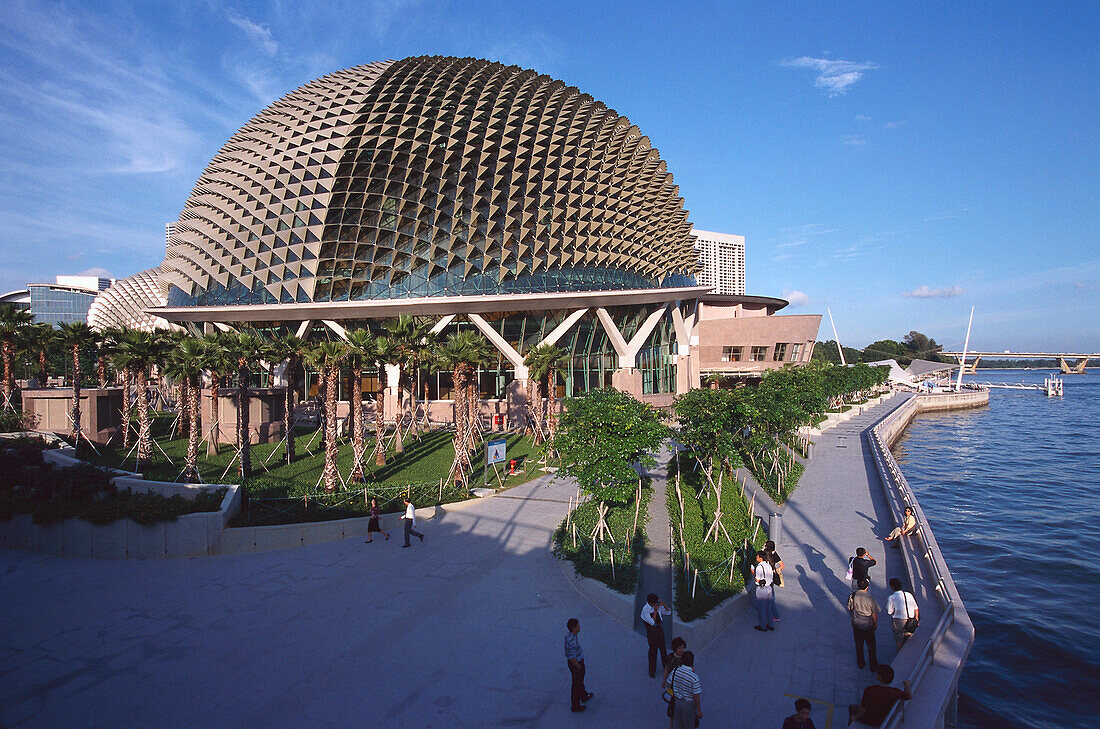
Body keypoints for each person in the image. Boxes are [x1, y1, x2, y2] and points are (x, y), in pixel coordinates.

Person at [848, 665, 912, 727]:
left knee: (852, 708)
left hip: (872, 720)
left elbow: (862, 710)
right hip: (885, 719)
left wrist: (855, 717)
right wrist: (907, 685)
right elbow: (908, 695)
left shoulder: (870, 690)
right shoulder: (894, 692)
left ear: (880, 677)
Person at [847, 578, 879, 671]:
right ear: (867, 587)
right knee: (871, 645)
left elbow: (849, 607)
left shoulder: (853, 595)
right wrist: (875, 624)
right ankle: (873, 665)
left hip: (856, 623)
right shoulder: (870, 598)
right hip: (868, 624)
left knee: (859, 644)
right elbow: (874, 613)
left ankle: (860, 662)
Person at [564, 618, 593, 712]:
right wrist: (578, 666)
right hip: (576, 664)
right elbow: (572, 657)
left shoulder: (569, 635)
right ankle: (575, 706)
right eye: (578, 626)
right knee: (576, 684)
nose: (580, 627)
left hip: (577, 662)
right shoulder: (572, 640)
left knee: (579, 681)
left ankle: (583, 696)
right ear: (573, 628)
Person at [668, 650, 702, 729]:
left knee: (679, 725)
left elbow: (669, 684)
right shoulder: (694, 677)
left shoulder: (675, 670)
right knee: (689, 725)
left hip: (677, 702)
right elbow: (696, 695)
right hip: (688, 704)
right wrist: (699, 710)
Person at [641, 593, 671, 677]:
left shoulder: (657, 605)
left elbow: (668, 612)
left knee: (663, 648)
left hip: (659, 628)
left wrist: (663, 604)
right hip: (651, 630)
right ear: (650, 603)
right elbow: (652, 622)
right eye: (654, 603)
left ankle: (666, 666)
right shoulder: (645, 610)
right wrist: (655, 611)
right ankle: (652, 670)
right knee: (653, 650)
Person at [886, 578, 920, 650]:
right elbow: (916, 608)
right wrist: (916, 619)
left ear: (892, 587)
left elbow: (889, 611)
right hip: (911, 619)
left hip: (899, 621)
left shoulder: (892, 597)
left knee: (899, 639)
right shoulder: (909, 594)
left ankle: (899, 652)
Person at [662, 637, 687, 729]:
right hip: (673, 686)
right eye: (680, 648)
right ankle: (671, 725)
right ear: (675, 648)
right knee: (672, 706)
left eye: (683, 647)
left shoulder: (685, 658)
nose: (682, 650)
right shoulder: (670, 657)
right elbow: (666, 668)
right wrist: (664, 680)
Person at [752, 550, 776, 632]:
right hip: (769, 587)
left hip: (762, 589)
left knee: (761, 608)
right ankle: (771, 624)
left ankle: (763, 626)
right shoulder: (768, 565)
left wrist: (753, 573)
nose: (756, 557)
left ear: (760, 558)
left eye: (757, 556)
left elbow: (757, 579)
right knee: (768, 608)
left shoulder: (759, 567)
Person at [764, 539, 784, 621]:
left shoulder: (769, 554)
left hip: (769, 577)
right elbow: (782, 565)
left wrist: (775, 571)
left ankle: (775, 616)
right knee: (771, 595)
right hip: (771, 576)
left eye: (765, 545)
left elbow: (782, 565)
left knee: (770, 597)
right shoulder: (774, 554)